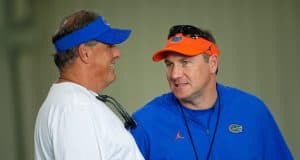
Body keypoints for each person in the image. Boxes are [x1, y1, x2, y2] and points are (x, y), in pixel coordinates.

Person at [130, 25, 293, 160]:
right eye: (169, 64)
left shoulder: (252, 112)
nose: (174, 74)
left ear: (213, 64)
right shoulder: (145, 123)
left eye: (185, 62)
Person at [34, 10, 144, 160]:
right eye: (109, 46)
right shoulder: (75, 107)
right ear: (85, 53)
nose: (117, 53)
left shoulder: (69, 102)